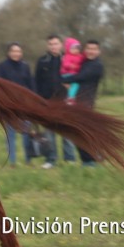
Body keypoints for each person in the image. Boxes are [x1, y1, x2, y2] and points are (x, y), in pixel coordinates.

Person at [34, 35, 76, 166]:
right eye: (51, 44)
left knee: (66, 133)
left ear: (61, 45)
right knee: (49, 133)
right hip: (47, 102)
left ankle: (70, 159)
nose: (53, 46)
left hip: (65, 102)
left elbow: (76, 80)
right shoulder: (42, 61)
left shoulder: (68, 60)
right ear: (48, 46)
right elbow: (36, 82)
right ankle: (51, 159)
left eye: (56, 44)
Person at [61, 40, 105, 166]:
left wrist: (63, 78)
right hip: (76, 100)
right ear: (85, 50)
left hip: (86, 102)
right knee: (78, 132)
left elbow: (81, 76)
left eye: (94, 49)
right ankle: (89, 159)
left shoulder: (97, 65)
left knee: (82, 132)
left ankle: (92, 159)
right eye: (89, 48)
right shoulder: (84, 61)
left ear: (98, 51)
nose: (91, 51)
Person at [0, 42, 39, 166]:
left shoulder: (25, 66)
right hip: (9, 105)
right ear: (9, 53)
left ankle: (28, 159)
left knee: (26, 133)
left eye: (18, 51)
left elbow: (31, 84)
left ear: (21, 53)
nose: (16, 54)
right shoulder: (2, 67)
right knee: (10, 135)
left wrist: (34, 100)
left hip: (25, 105)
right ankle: (12, 162)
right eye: (13, 51)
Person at [60, 38, 85, 105]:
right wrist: (70, 66)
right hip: (67, 74)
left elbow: (83, 59)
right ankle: (71, 98)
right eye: (73, 49)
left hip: (74, 73)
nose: (75, 50)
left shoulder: (79, 56)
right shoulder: (67, 56)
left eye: (77, 49)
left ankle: (69, 97)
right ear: (68, 49)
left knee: (73, 86)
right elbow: (65, 64)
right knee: (75, 85)